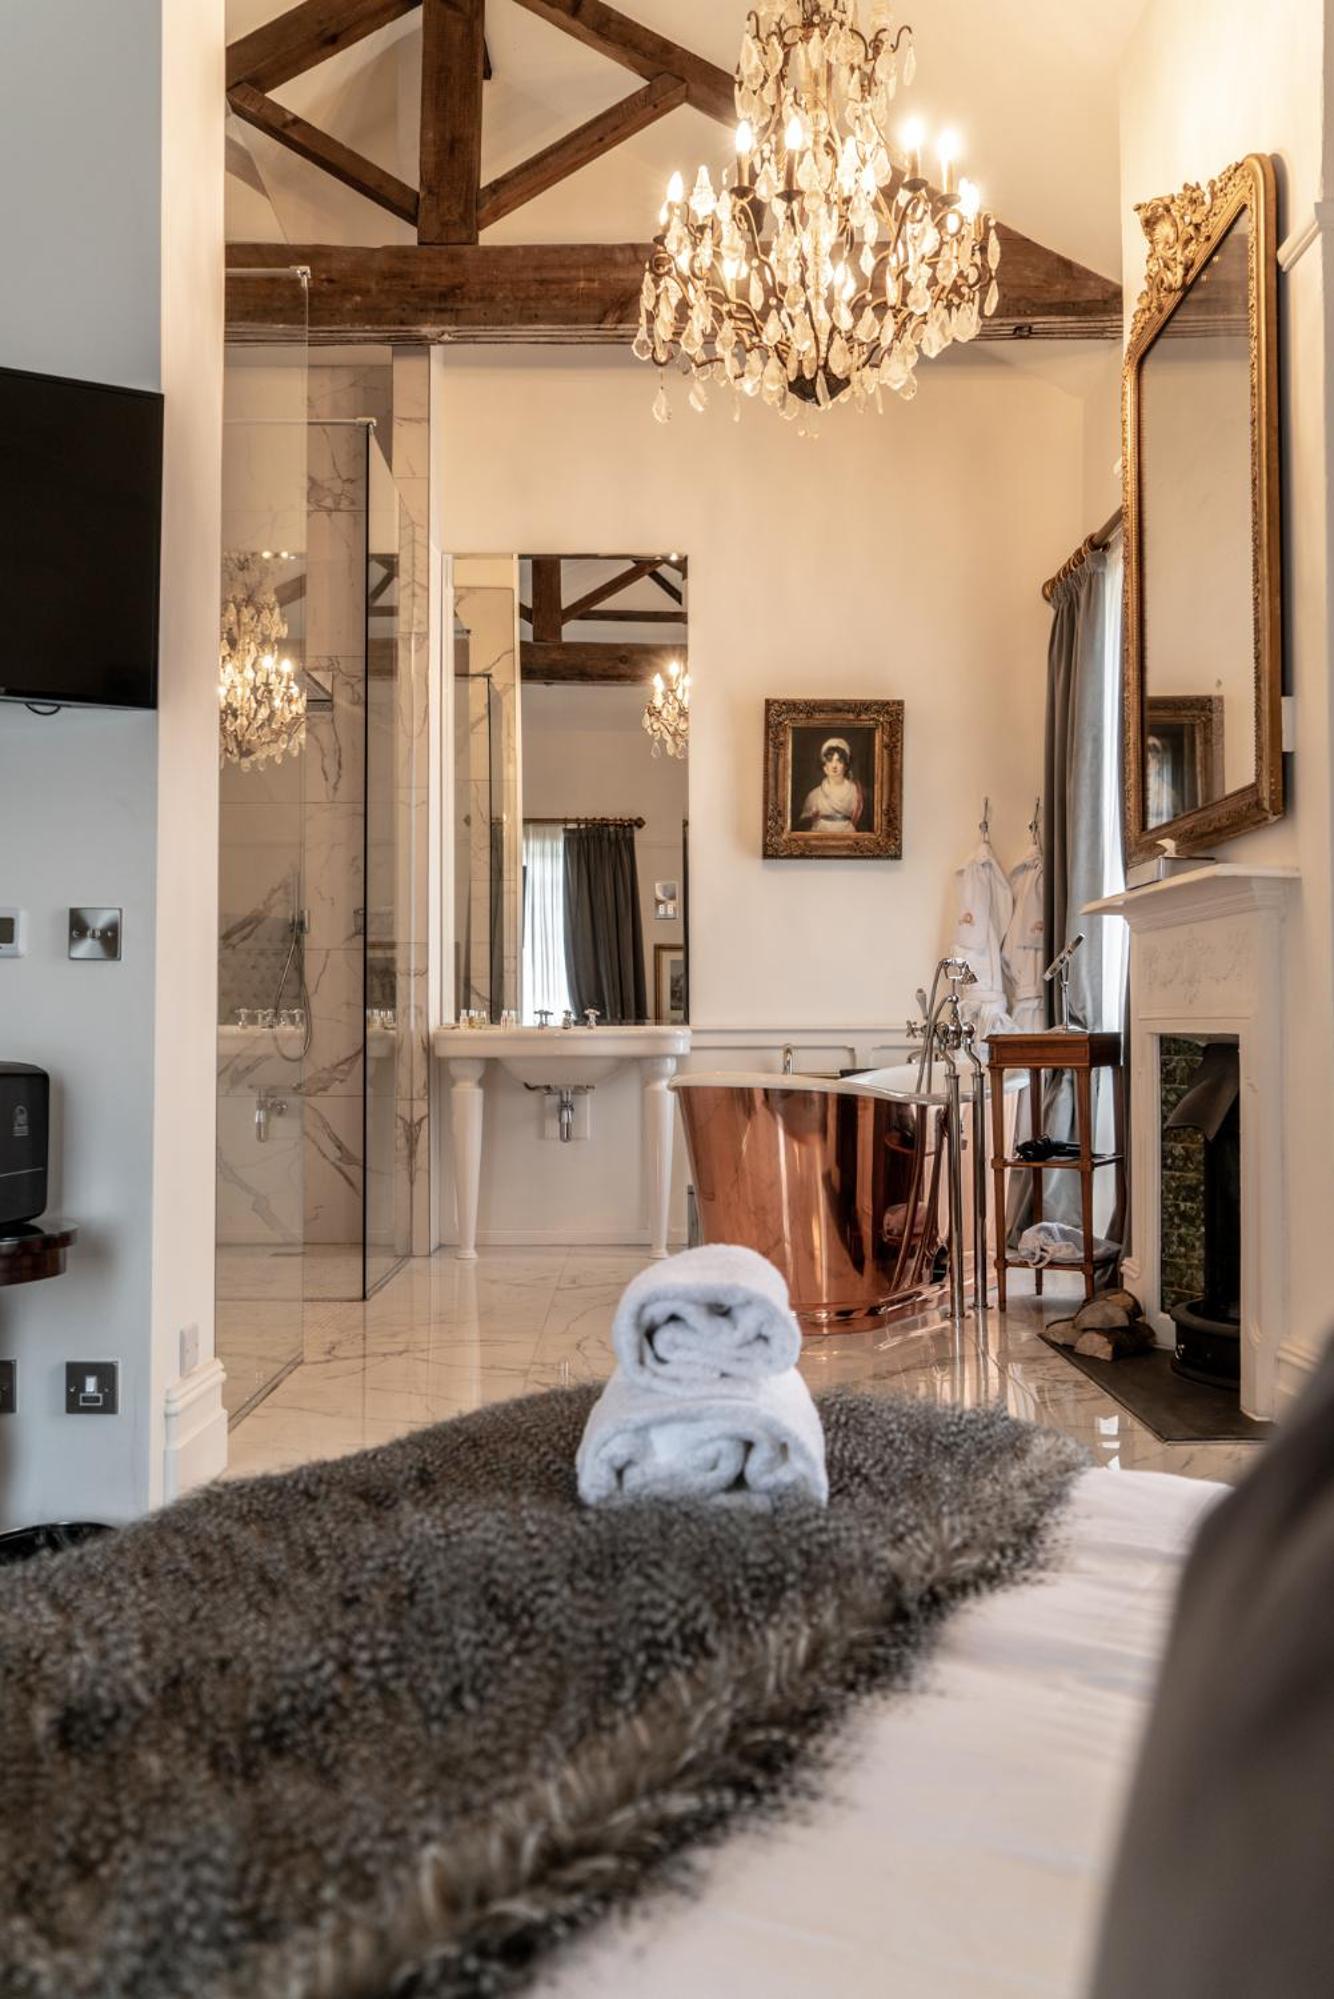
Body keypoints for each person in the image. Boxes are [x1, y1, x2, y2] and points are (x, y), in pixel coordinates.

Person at [799, 737, 864, 834]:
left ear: (846, 766)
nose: (834, 766)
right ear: (824, 766)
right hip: (821, 835)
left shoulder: (855, 791)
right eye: (830, 761)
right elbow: (804, 824)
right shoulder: (814, 795)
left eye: (839, 761)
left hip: (848, 835)